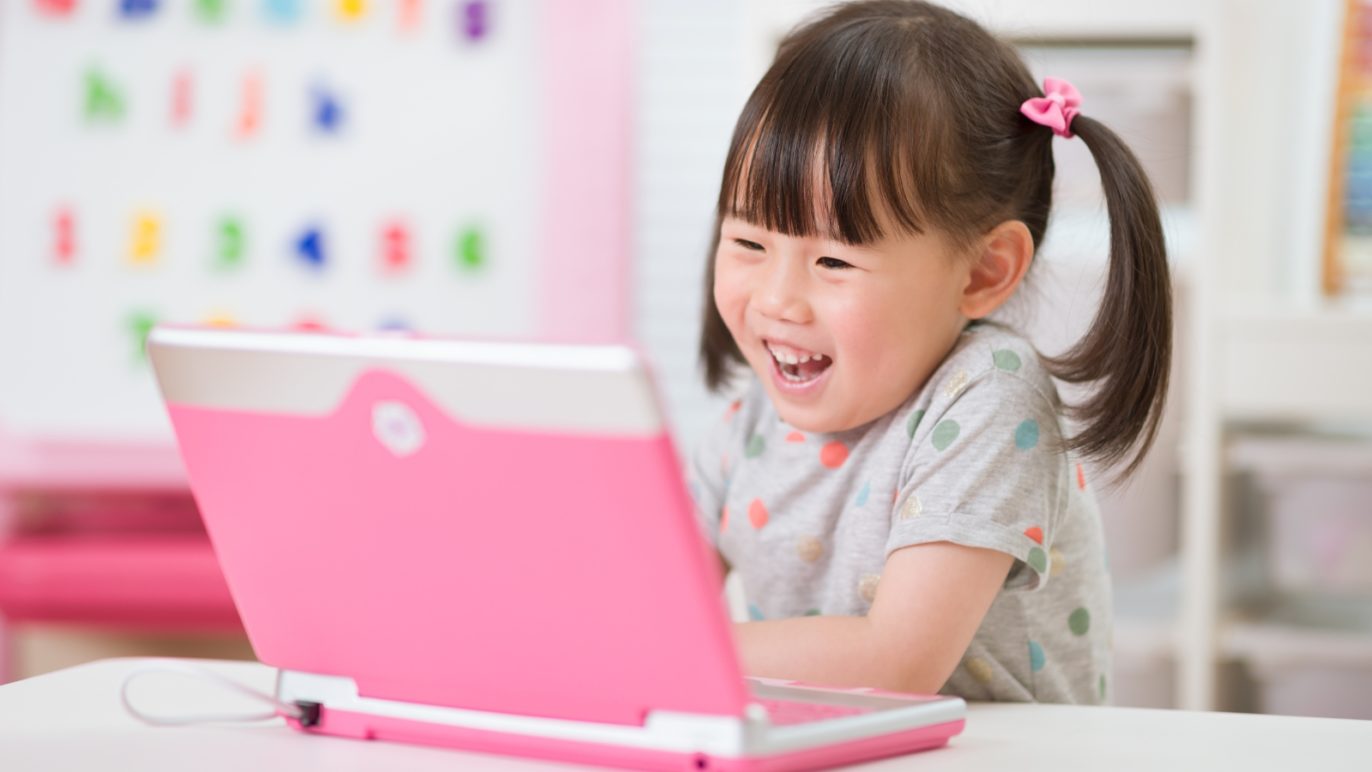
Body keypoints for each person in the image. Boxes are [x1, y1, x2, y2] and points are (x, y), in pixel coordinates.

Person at [687, 0, 1171, 704]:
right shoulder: (747, 427)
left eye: (834, 262)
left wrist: (678, 647)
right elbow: (652, 604)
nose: (776, 301)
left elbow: (897, 662)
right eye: (749, 244)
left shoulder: (992, 397)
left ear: (982, 272)